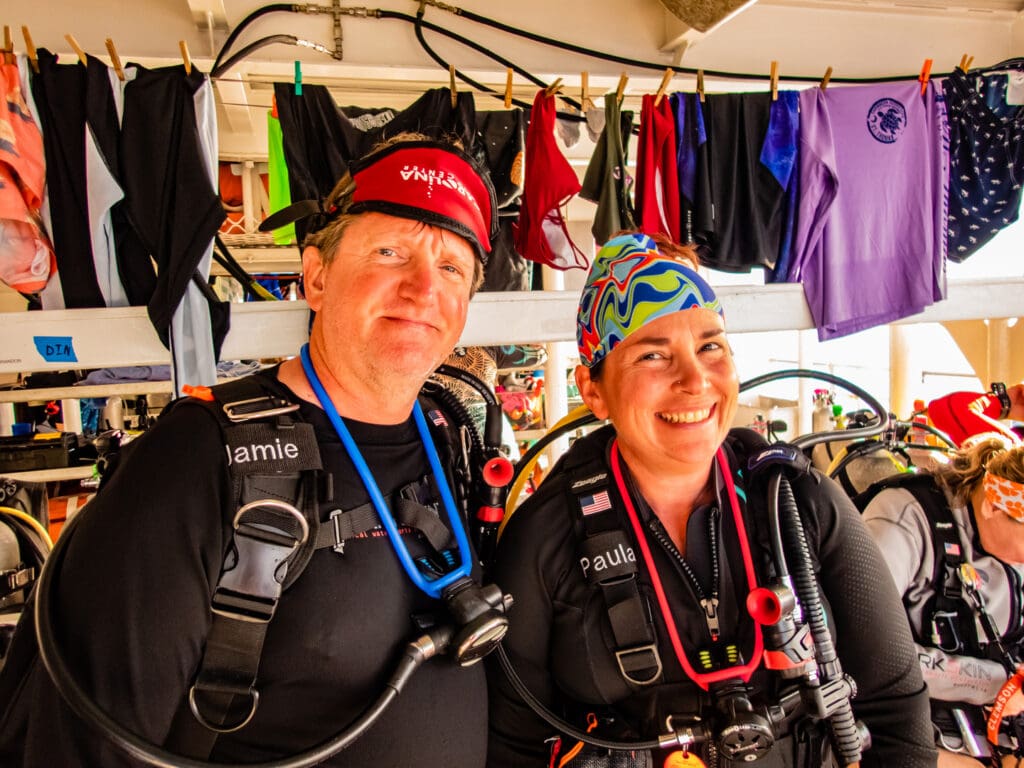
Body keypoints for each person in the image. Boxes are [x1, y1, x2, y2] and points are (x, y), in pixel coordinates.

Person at [0, 133, 504, 767]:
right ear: (316, 275)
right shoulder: (196, 456)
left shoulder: (449, 435)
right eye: (390, 251)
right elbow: (80, 748)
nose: (423, 289)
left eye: (451, 268)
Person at [487, 232, 936, 768]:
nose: (695, 379)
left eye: (710, 346)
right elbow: (513, 749)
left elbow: (898, 710)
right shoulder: (543, 539)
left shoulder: (797, 499)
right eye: (653, 354)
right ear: (594, 390)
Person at [863, 435, 1024, 768]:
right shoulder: (904, 519)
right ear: (993, 506)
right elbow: (865, 650)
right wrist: (996, 682)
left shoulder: (1011, 547)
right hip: (910, 729)